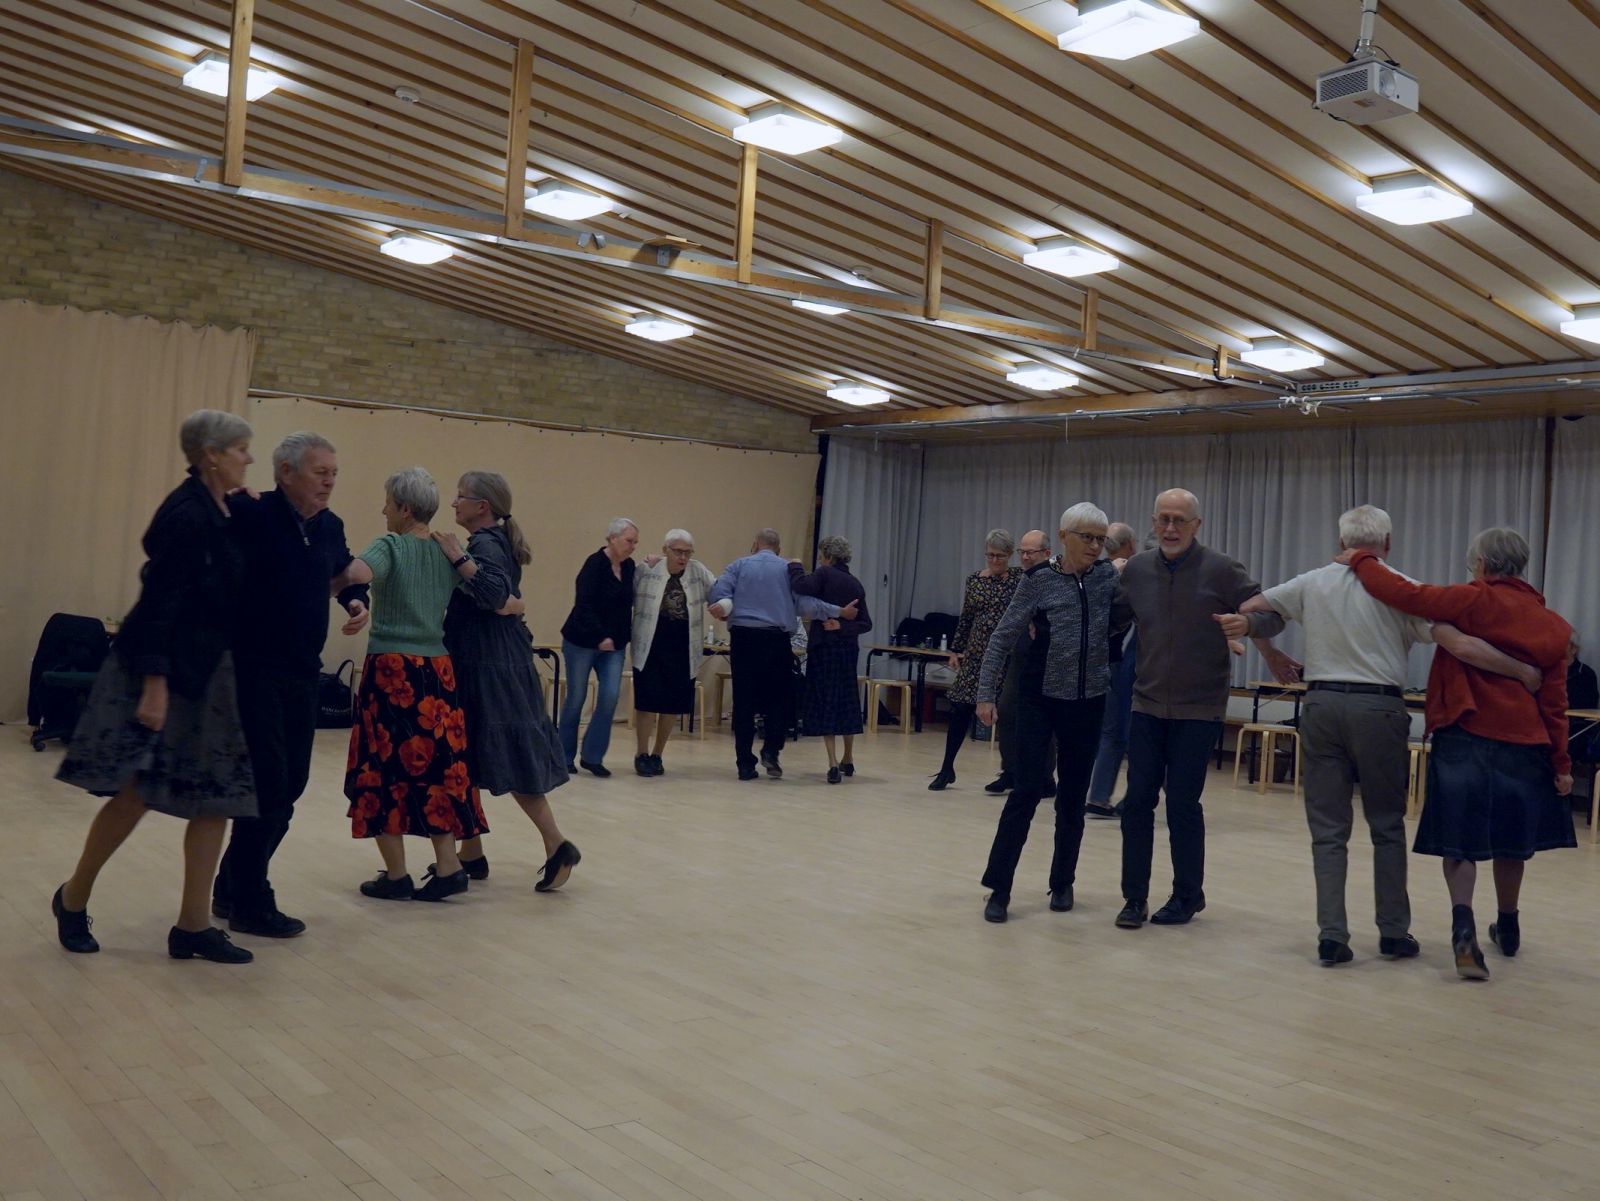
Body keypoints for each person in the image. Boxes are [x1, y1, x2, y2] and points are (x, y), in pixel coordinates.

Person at [1218, 506, 1545, 967]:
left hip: (1322, 704)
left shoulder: (1311, 582)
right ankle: (1392, 932)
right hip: (1379, 709)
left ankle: (1332, 935)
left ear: (1341, 541)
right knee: (1386, 824)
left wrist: (1270, 652)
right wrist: (1522, 671)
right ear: (1387, 544)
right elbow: (1458, 644)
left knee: (1328, 829)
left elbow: (1252, 609)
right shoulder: (1402, 589)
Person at [52, 410, 258, 964]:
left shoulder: (221, 509)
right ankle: (72, 899)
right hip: (162, 670)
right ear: (211, 454)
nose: (249, 458)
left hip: (207, 671)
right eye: (240, 449)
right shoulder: (186, 515)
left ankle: (193, 925)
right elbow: (159, 606)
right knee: (137, 793)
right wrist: (154, 684)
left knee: (217, 797)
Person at [1339, 528, 1574, 980]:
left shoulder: (1471, 599)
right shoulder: (1552, 625)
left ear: (1481, 564)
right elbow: (1554, 703)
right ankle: (1508, 926)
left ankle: (1463, 927)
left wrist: (1361, 559)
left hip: (1465, 733)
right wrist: (1561, 764)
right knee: (1511, 840)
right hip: (1525, 744)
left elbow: (1402, 593)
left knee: (1460, 839)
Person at [210, 432, 371, 940]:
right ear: (286, 472)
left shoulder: (329, 526)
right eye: (320, 472)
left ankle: (231, 884)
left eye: (334, 473)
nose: (330, 481)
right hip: (251, 668)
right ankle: (250, 899)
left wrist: (356, 600)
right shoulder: (251, 513)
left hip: (303, 673)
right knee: (269, 784)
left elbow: (342, 570)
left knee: (292, 785)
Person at [1115, 488, 1293, 930]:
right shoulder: (1137, 570)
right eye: (1163, 519)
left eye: (1180, 520)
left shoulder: (1222, 569)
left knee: (1181, 804)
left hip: (1199, 709)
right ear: (1153, 523)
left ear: (1197, 525)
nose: (1170, 528)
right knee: (1137, 802)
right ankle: (1134, 898)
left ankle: (1187, 895)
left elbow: (1272, 614)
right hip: (1147, 704)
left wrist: (1247, 623)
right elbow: (1111, 618)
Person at [336, 468, 488, 902]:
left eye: (387, 502)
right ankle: (449, 867)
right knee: (438, 767)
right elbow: (494, 593)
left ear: (404, 508)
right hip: (438, 672)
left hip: (393, 671)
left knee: (382, 767)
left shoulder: (390, 546)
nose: (383, 509)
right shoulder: (447, 551)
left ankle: (397, 874)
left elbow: (356, 572)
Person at [975, 504, 1132, 923]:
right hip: (1039, 699)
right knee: (1026, 791)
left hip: (1089, 700)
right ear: (1064, 537)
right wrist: (986, 693)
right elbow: (1002, 636)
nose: (1094, 546)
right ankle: (999, 887)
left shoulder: (1107, 577)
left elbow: (1129, 612)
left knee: (1073, 798)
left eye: (1100, 540)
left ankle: (1063, 881)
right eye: (1087, 538)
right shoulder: (1038, 580)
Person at [433, 472, 579, 892]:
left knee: (507, 756)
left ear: (482, 506)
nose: (453, 503)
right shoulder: (493, 541)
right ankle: (471, 851)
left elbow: (495, 595)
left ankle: (557, 844)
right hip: (491, 660)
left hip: (489, 665)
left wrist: (455, 556)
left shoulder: (485, 544)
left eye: (460, 497)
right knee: (467, 754)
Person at [706, 528, 856, 780]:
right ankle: (771, 750)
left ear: (755, 544)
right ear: (779, 549)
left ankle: (745, 764)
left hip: (743, 638)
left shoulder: (738, 566)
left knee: (743, 702)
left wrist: (722, 607)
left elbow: (717, 594)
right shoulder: (787, 569)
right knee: (780, 699)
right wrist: (838, 611)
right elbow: (805, 605)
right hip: (775, 639)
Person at [931, 530, 1022, 791]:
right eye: (990, 555)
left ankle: (1009, 772)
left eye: (1000, 556)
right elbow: (966, 617)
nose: (994, 560)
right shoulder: (974, 580)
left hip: (1005, 656)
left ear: (1010, 555)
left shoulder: (1018, 579)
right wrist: (956, 650)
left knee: (1006, 715)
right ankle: (947, 768)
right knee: (960, 708)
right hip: (975, 654)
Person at [631, 529, 719, 777]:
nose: (683, 557)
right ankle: (641, 753)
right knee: (647, 700)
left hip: (682, 643)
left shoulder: (698, 571)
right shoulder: (647, 569)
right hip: (651, 642)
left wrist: (723, 605)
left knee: (671, 702)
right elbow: (629, 595)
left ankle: (658, 754)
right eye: (678, 551)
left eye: (687, 552)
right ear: (665, 550)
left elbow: (718, 590)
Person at [558, 518, 638, 777]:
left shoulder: (630, 567)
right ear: (613, 538)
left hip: (614, 645)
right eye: (629, 541)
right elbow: (583, 605)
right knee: (576, 697)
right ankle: (563, 756)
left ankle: (592, 756)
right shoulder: (594, 565)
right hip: (581, 641)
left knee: (610, 696)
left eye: (635, 542)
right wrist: (599, 636)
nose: (633, 546)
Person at [789, 536, 873, 783]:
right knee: (846, 700)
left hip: (824, 649)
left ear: (828, 556)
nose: (819, 560)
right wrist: (843, 626)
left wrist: (795, 566)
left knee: (826, 701)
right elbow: (866, 623)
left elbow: (801, 585)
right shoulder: (855, 583)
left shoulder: (824, 574)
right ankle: (849, 757)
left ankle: (833, 762)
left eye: (820, 555)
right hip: (848, 650)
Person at [989, 530, 1053, 795]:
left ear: (1046, 553)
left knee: (1044, 718)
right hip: (1020, 650)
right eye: (1022, 552)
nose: (1025, 557)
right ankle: (1010, 771)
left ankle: (1045, 777)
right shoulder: (1020, 579)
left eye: (1030, 553)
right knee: (1007, 710)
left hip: (1048, 656)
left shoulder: (1056, 578)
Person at [1085, 522, 1139, 819]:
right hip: (1117, 663)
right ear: (1130, 544)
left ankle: (1098, 796)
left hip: (1093, 661)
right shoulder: (1128, 574)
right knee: (1126, 733)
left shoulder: (1095, 571)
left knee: (1109, 731)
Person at [1566, 635, 1600, 764]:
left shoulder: (1586, 674)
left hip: (1576, 727)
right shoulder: (1548, 671)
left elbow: (1587, 708)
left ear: (1573, 649)